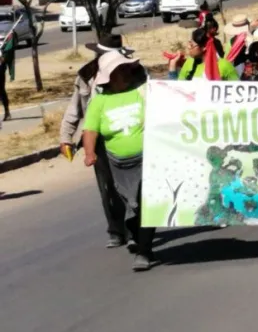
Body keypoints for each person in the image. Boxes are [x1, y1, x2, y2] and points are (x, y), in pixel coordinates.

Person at [60, 35, 137, 248]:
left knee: (131, 186)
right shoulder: (85, 75)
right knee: (107, 187)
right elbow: (74, 108)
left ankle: (133, 231)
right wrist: (66, 137)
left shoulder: (132, 74)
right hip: (97, 138)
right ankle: (115, 230)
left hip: (128, 134)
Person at [81, 50, 155, 271]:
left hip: (147, 159)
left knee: (146, 204)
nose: (125, 73)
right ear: (109, 76)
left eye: (125, 69)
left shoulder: (142, 92)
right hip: (118, 164)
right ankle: (135, 233)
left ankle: (144, 252)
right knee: (131, 206)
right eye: (119, 70)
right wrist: (89, 153)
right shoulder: (99, 102)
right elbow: (90, 130)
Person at [168, 27, 240, 80]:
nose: (188, 47)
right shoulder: (189, 62)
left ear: (203, 47)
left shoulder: (224, 66)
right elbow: (177, 90)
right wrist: (172, 64)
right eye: (189, 43)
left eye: (192, 45)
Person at [0, 28, 13, 122]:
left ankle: (7, 111)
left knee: (1, 90)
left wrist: (2, 56)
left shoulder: (2, 39)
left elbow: (6, 54)